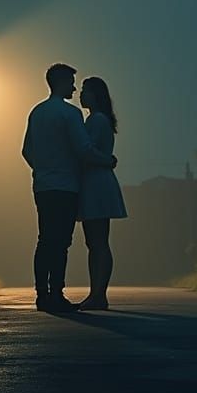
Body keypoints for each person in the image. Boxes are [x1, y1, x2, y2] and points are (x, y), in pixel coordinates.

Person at [22, 63, 116, 313]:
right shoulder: (71, 114)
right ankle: (56, 293)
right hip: (66, 185)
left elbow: (26, 150)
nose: (74, 88)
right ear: (62, 82)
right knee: (61, 241)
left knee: (44, 239)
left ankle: (42, 294)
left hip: (42, 184)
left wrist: (41, 168)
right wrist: (108, 160)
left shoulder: (37, 112)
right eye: (72, 83)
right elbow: (84, 150)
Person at [76, 76, 127, 310]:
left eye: (86, 90)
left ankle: (98, 294)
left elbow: (88, 152)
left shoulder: (96, 120)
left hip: (96, 185)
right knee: (96, 242)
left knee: (97, 242)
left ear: (96, 95)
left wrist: (104, 160)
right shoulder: (98, 119)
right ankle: (96, 292)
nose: (81, 94)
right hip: (97, 183)